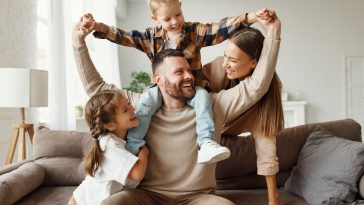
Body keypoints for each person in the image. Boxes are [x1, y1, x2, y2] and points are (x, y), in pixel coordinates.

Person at [73, 9, 281, 205]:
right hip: (148, 195)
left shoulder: (213, 105)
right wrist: (78, 43)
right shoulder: (138, 109)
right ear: (158, 79)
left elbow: (257, 86)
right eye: (178, 72)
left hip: (197, 197)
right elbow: (96, 87)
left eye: (189, 70)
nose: (189, 76)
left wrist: (273, 32)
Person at [202, 27, 284, 205]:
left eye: (232, 60)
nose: (225, 64)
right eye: (225, 56)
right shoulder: (217, 68)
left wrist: (273, 198)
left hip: (231, 129)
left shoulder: (266, 92)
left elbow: (266, 146)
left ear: (254, 63)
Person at [68, 90, 149, 205]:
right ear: (110, 125)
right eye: (125, 109)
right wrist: (144, 151)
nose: (133, 109)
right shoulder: (109, 145)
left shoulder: (121, 138)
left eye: (129, 103)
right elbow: (137, 174)